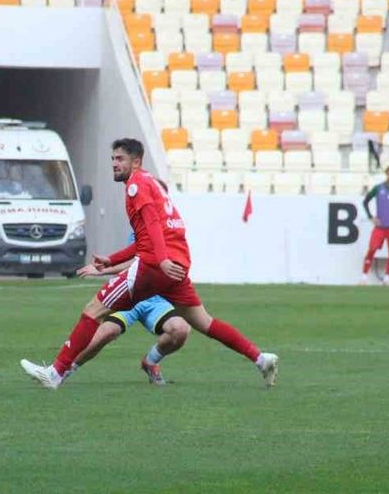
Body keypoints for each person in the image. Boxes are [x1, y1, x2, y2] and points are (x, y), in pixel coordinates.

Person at [19, 138, 278, 390]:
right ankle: (260, 358)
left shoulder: (136, 186)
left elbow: (153, 226)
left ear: (136, 161)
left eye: (120, 159)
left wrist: (161, 260)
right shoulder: (152, 183)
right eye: (112, 159)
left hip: (154, 265)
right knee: (204, 322)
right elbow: (149, 236)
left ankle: (55, 373)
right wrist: (113, 259)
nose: (114, 164)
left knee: (94, 309)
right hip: (177, 264)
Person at [72, 229, 191, 385]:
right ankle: (61, 371)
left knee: (181, 330)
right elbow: (137, 262)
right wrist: (104, 270)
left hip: (155, 299)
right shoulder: (140, 228)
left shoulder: (169, 228)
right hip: (131, 294)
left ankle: (150, 362)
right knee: (107, 332)